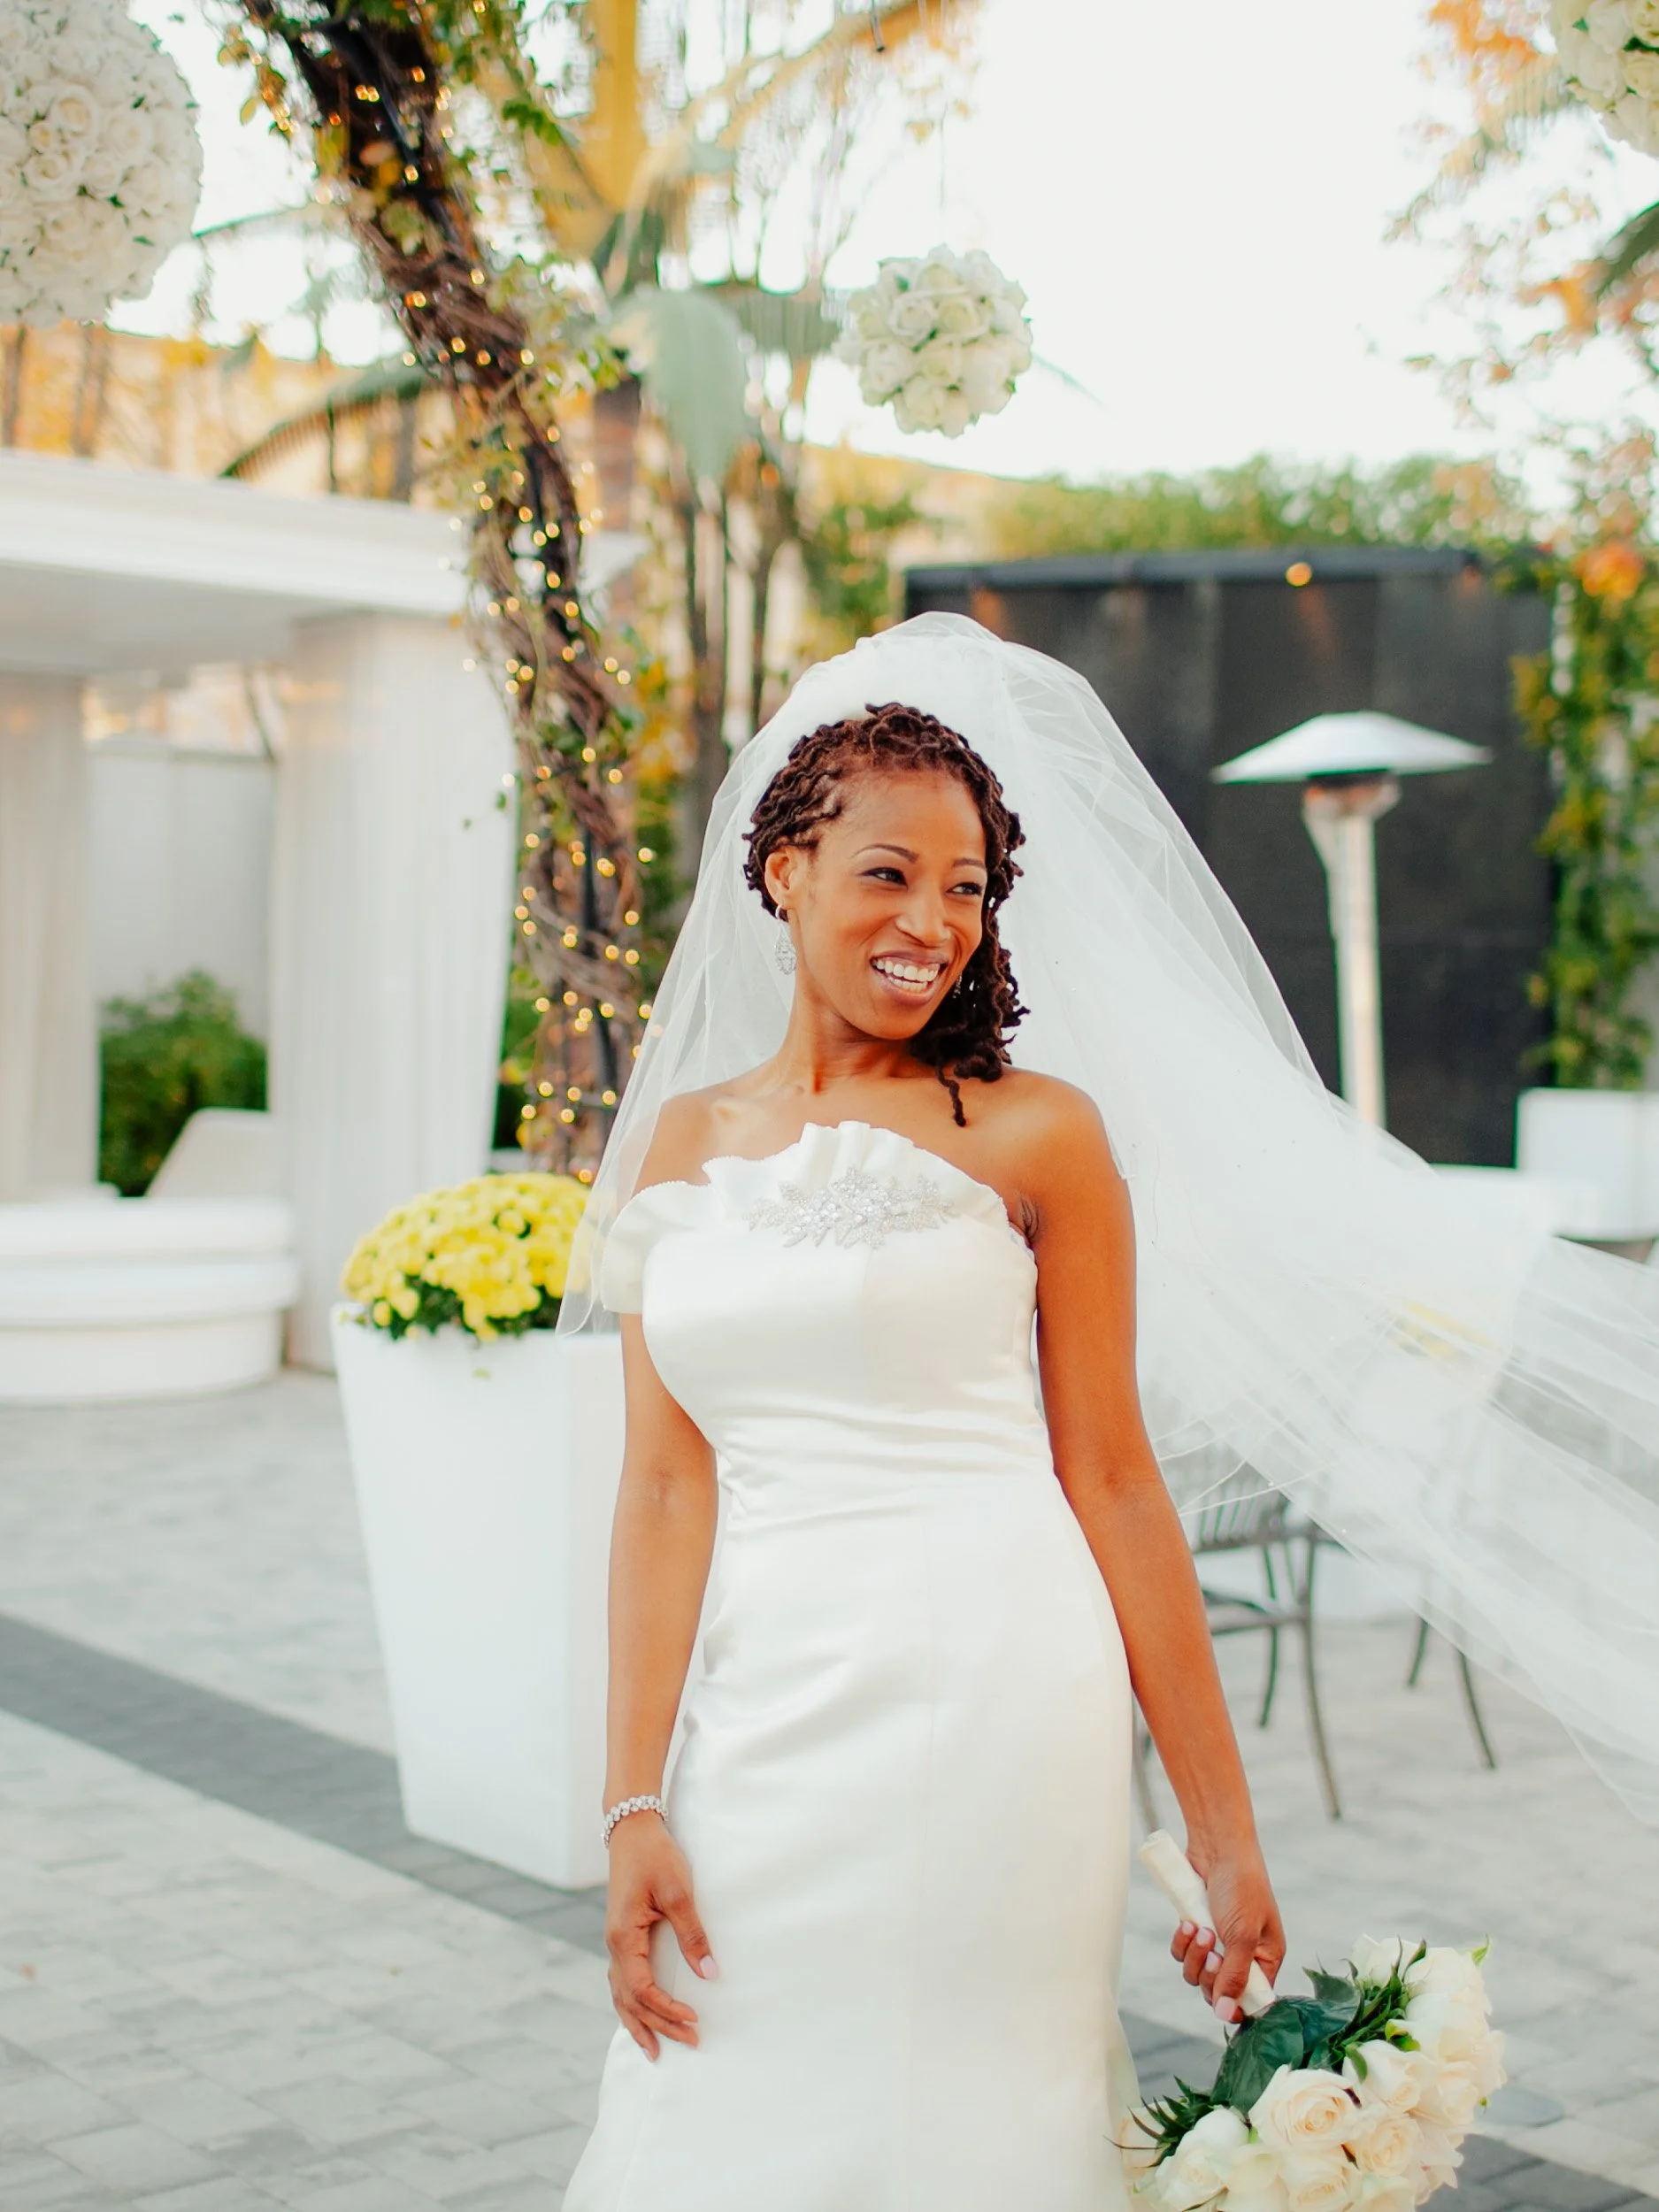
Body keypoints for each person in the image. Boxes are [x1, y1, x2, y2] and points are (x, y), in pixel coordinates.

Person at [559, 618, 1659, 2208]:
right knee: (718, 2101)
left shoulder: (1038, 1136)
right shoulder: (679, 1144)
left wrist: (1223, 1834)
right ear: (783, 868)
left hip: (994, 1685)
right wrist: (633, 1799)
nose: (931, 921)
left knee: (974, 2114)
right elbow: (661, 1491)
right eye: (888, 872)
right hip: (758, 1708)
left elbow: (1115, 1480)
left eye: (966, 886)